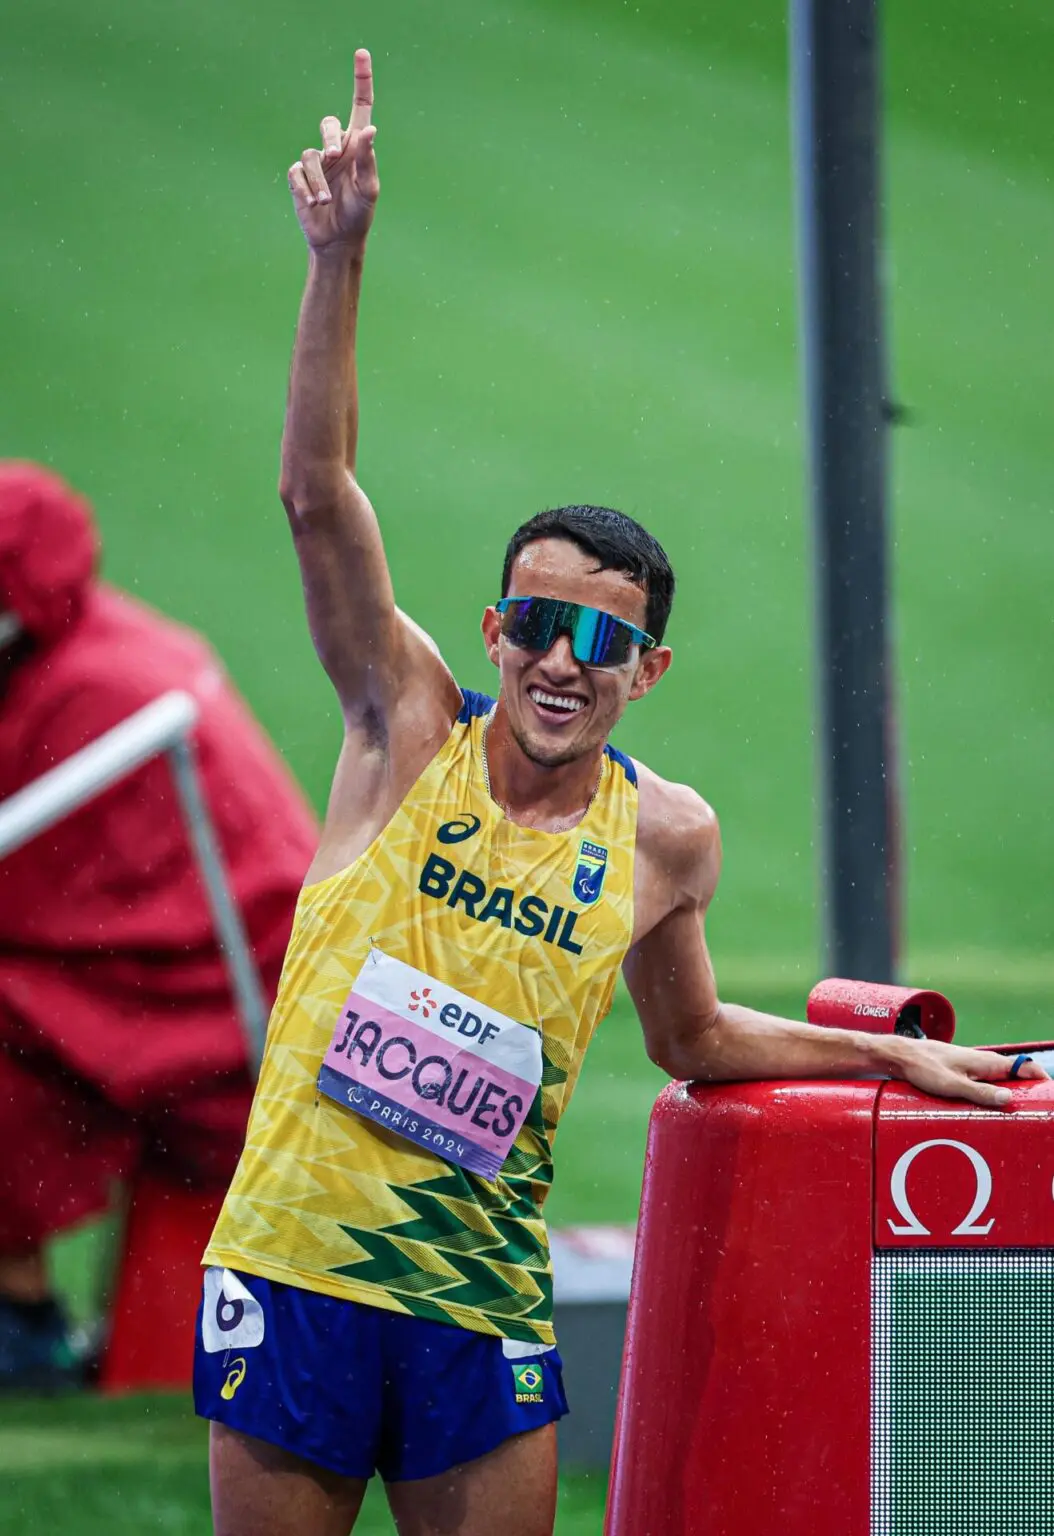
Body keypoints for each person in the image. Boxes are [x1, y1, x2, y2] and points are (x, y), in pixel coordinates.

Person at [194, 49, 1046, 1536]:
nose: (560, 662)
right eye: (535, 624)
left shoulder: (665, 836)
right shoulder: (402, 731)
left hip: (473, 1301)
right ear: (491, 631)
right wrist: (336, 260)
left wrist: (885, 1066)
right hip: (292, 1273)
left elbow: (693, 1038)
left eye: (603, 641)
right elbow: (315, 493)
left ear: (647, 670)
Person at [0, 461, 318, 1388]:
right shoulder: (103, 642)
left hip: (236, 1026)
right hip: (239, 989)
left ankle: (19, 1321)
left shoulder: (89, 693)